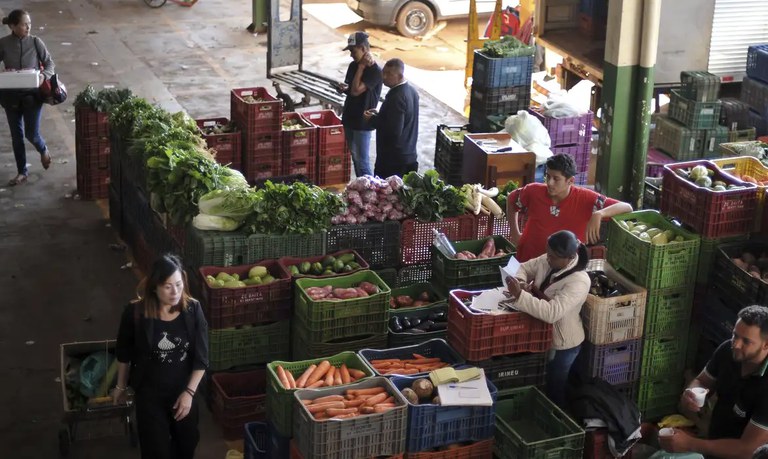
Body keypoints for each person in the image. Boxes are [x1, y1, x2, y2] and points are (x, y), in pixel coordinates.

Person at [113, 254, 209, 459]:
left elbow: (201, 359)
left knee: (187, 445)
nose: (175, 292)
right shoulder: (135, 313)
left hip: (183, 391)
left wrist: (189, 394)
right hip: (149, 395)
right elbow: (124, 354)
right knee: (156, 450)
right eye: (167, 286)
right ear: (154, 287)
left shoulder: (193, 310)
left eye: (178, 284)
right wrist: (120, 387)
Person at [659, 305, 768, 458]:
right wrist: (691, 393)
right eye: (735, 335)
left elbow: (748, 449)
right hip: (714, 445)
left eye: (746, 341)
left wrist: (690, 443)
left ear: (766, 345)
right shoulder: (727, 351)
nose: (736, 344)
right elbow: (702, 381)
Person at [505, 230, 590, 408]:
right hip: (540, 334)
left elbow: (553, 312)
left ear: (569, 257)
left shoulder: (579, 281)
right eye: (548, 253)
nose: (547, 259)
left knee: (555, 389)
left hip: (563, 344)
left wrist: (521, 295)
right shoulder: (549, 259)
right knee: (542, 382)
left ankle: (559, 419)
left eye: (553, 257)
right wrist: (520, 281)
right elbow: (524, 267)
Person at [506, 153, 632, 262]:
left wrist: (599, 214)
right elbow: (511, 200)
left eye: (556, 179)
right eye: (548, 176)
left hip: (563, 270)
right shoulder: (533, 191)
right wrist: (515, 233)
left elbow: (627, 207)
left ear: (570, 181)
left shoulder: (586, 198)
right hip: (526, 260)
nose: (549, 183)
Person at [0, 9, 53, 186]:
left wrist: (43, 76)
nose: (28, 27)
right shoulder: (4, 44)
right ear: (13, 26)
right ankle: (22, 171)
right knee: (17, 136)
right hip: (10, 96)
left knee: (32, 133)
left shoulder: (36, 42)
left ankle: (43, 149)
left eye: (29, 23)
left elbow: (49, 63)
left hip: (32, 95)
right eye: (24, 24)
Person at [363, 58, 419, 178]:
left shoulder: (397, 96)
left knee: (388, 195)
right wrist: (380, 115)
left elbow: (393, 130)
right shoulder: (412, 91)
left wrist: (372, 120)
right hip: (409, 155)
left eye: (389, 74)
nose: (384, 77)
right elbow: (401, 120)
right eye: (384, 72)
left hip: (393, 161)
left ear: (400, 76)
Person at [336, 31, 382, 178]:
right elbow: (352, 88)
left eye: (353, 51)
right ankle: (362, 189)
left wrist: (362, 67)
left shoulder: (374, 71)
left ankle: (371, 190)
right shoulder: (352, 66)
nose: (351, 54)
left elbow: (356, 91)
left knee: (362, 161)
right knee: (355, 158)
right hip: (349, 118)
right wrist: (344, 88)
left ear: (363, 48)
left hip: (363, 122)